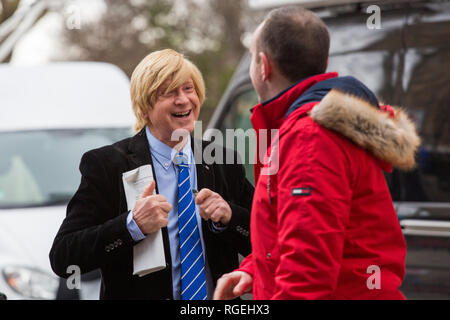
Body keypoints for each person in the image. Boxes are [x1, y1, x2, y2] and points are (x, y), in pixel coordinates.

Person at [214, 7, 420, 300]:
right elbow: (297, 236)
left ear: (263, 66)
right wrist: (254, 269)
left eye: (251, 58)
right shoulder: (313, 127)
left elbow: (307, 275)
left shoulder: (309, 137)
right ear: (324, 62)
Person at [49, 49, 253, 300]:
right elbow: (64, 257)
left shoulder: (223, 160)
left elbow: (267, 243)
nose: (183, 100)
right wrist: (131, 225)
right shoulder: (106, 164)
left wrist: (231, 218)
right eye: (169, 92)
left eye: (188, 89)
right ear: (144, 107)